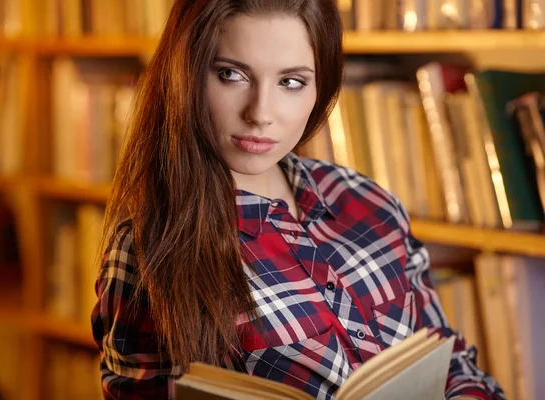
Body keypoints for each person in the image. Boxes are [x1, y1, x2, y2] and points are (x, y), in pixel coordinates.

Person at [91, 0, 505, 399]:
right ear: (186, 75)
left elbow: (451, 365)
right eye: (232, 75)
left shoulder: (370, 203)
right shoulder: (147, 250)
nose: (261, 113)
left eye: (291, 82)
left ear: (319, 88)